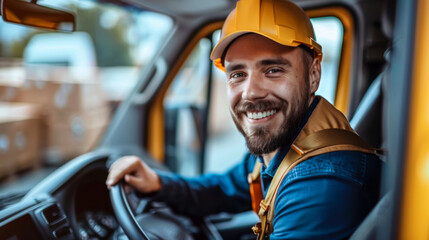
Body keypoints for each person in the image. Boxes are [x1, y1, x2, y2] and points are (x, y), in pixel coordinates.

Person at [106, 0, 381, 239]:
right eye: (237, 74)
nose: (250, 93)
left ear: (313, 75)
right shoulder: (281, 142)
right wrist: (157, 183)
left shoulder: (318, 184)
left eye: (273, 69)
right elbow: (222, 190)